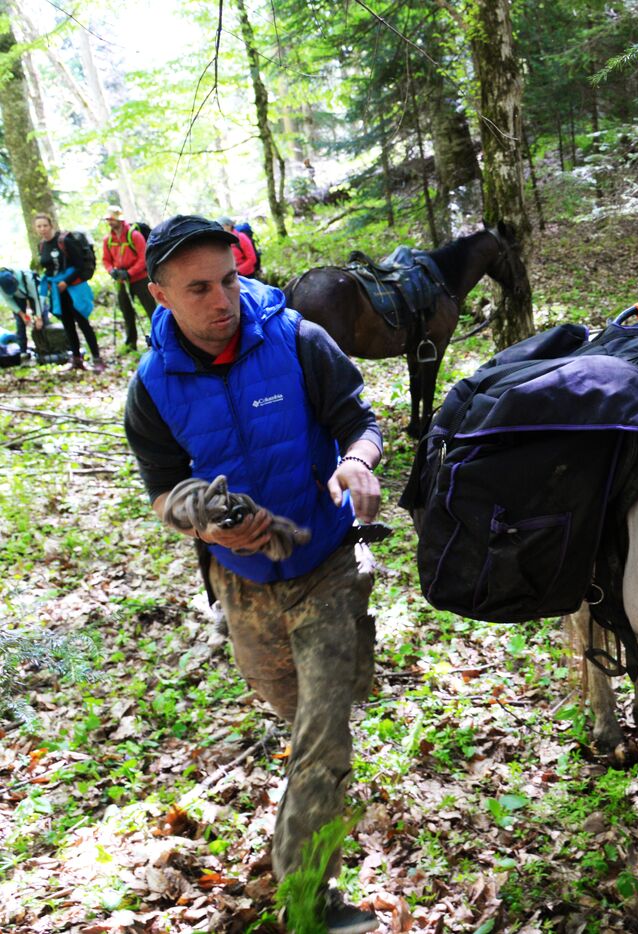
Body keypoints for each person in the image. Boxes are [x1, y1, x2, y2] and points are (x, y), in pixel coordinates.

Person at [123, 216, 383, 934]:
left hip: (325, 563)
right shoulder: (151, 389)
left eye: (229, 281)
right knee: (296, 719)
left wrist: (357, 460)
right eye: (199, 289)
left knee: (323, 740)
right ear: (162, 296)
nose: (221, 300)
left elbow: (361, 420)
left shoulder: (299, 341)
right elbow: (162, 491)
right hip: (242, 584)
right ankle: (314, 794)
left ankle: (308, 899)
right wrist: (204, 521)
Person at [34, 213, 105, 372]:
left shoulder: (64, 241)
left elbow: (79, 264)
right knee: (68, 326)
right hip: (58, 293)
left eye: (45, 225)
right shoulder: (42, 246)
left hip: (74, 289)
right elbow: (48, 268)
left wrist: (66, 282)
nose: (42, 229)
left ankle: (97, 359)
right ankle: (76, 359)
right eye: (39, 226)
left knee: (83, 323)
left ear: (51, 225)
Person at [101, 208, 157, 350]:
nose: (109, 222)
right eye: (108, 219)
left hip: (140, 279)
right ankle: (131, 343)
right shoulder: (108, 240)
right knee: (127, 312)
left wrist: (130, 273)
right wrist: (111, 271)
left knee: (152, 310)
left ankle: (159, 339)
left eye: (111, 219)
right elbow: (106, 260)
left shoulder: (135, 236)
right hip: (121, 281)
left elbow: (143, 258)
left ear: (119, 219)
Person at [0, 267, 44, 357]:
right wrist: (22, 314)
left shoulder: (27, 278)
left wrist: (39, 317)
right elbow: (9, 300)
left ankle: (45, 349)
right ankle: (23, 352)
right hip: (18, 299)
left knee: (42, 321)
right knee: (20, 323)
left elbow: (37, 298)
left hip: (32, 294)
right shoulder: (2, 284)